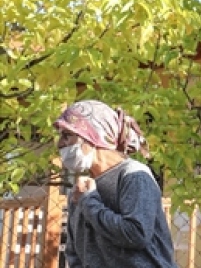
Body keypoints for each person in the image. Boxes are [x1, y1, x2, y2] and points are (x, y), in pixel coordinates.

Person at [55, 99, 178, 268]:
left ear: (94, 136)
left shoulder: (134, 176)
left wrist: (89, 202)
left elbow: (136, 234)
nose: (59, 143)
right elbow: (74, 254)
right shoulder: (81, 190)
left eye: (67, 135)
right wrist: (85, 199)